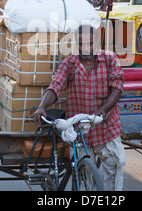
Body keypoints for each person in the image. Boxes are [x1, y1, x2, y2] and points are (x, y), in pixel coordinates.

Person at [32, 24, 125, 191]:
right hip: (79, 131)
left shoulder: (110, 59)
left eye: (90, 43)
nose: (86, 48)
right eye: (81, 44)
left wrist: (103, 110)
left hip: (106, 127)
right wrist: (42, 106)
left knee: (117, 166)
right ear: (76, 44)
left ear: (96, 42)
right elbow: (56, 86)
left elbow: (117, 88)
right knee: (84, 179)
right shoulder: (69, 63)